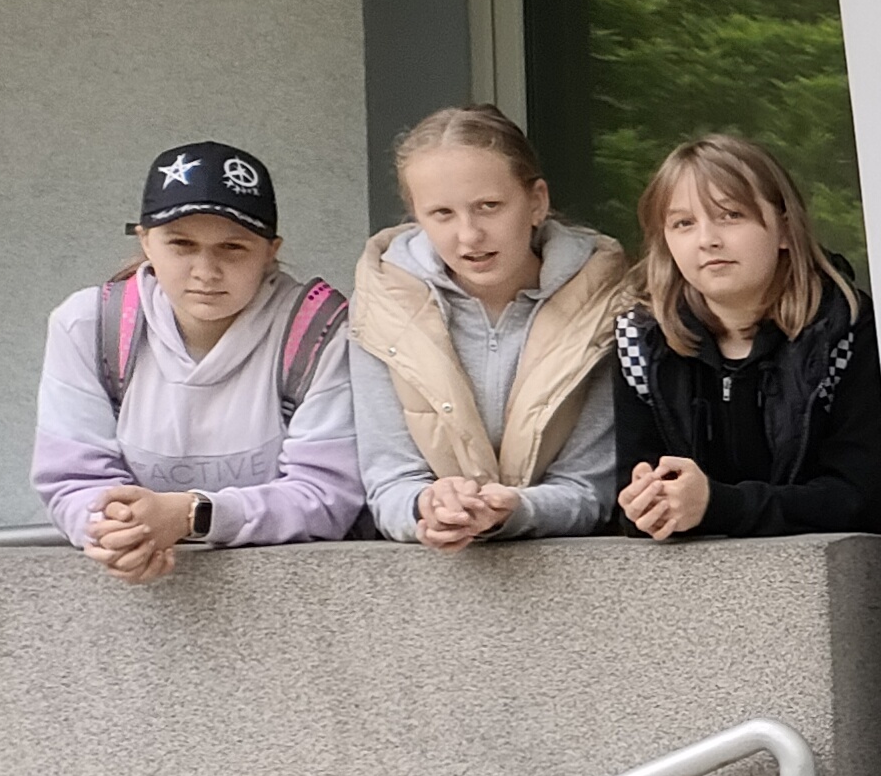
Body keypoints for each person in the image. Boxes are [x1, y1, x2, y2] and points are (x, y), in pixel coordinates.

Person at [31, 137, 359, 570]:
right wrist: (119, 534)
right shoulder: (89, 326)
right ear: (146, 242)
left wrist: (194, 515)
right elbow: (74, 481)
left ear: (270, 251)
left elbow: (327, 496)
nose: (206, 272)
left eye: (233, 247)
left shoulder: (319, 330)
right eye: (181, 245)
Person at [345, 105, 629, 548]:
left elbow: (590, 490)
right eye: (442, 214)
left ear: (537, 202)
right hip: (431, 575)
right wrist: (427, 507)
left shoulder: (607, 303)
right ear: (417, 217)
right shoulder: (380, 306)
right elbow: (389, 482)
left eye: (489, 207)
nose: (469, 235)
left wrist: (514, 511)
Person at [608, 131, 881, 544]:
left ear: (785, 230)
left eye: (730, 215)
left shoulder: (846, 331)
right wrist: (647, 505)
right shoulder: (642, 344)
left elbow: (862, 499)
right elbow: (630, 504)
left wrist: (717, 505)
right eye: (683, 223)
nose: (707, 240)